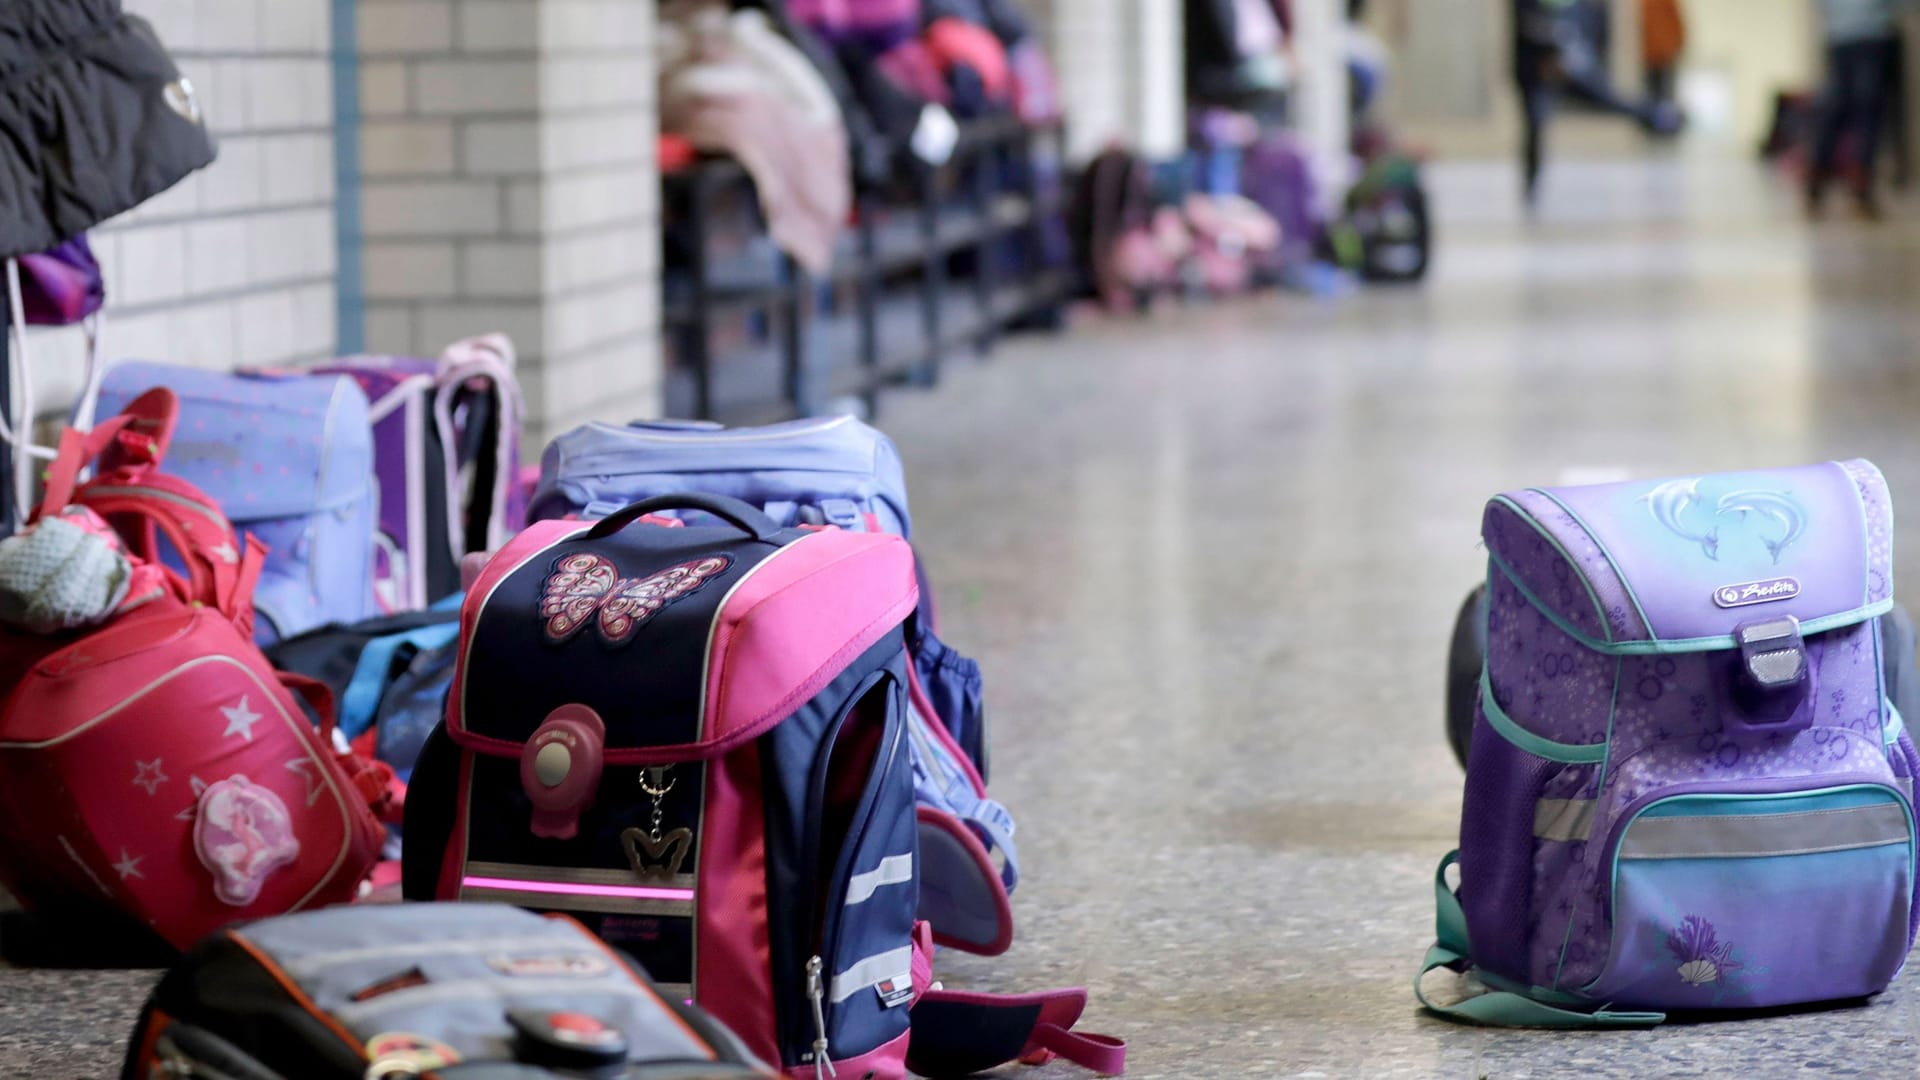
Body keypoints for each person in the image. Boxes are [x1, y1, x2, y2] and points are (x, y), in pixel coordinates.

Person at [1514, 0, 1683, 206]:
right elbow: (1529, 25)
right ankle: (1531, 187)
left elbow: (1574, 28)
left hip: (1567, 67)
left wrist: (1564, 54)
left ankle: (1654, 113)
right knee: (1535, 125)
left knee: (1608, 99)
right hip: (1535, 72)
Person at [1807, 0, 1913, 218]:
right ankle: (1858, 186)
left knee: (1839, 109)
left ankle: (1817, 179)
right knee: (1868, 113)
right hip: (1873, 36)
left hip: (1839, 36)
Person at [1640, 0, 1686, 107]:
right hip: (1648, 58)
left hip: (1663, 56)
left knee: (1663, 99)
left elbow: (1677, 24)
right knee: (1650, 98)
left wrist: (1676, 48)